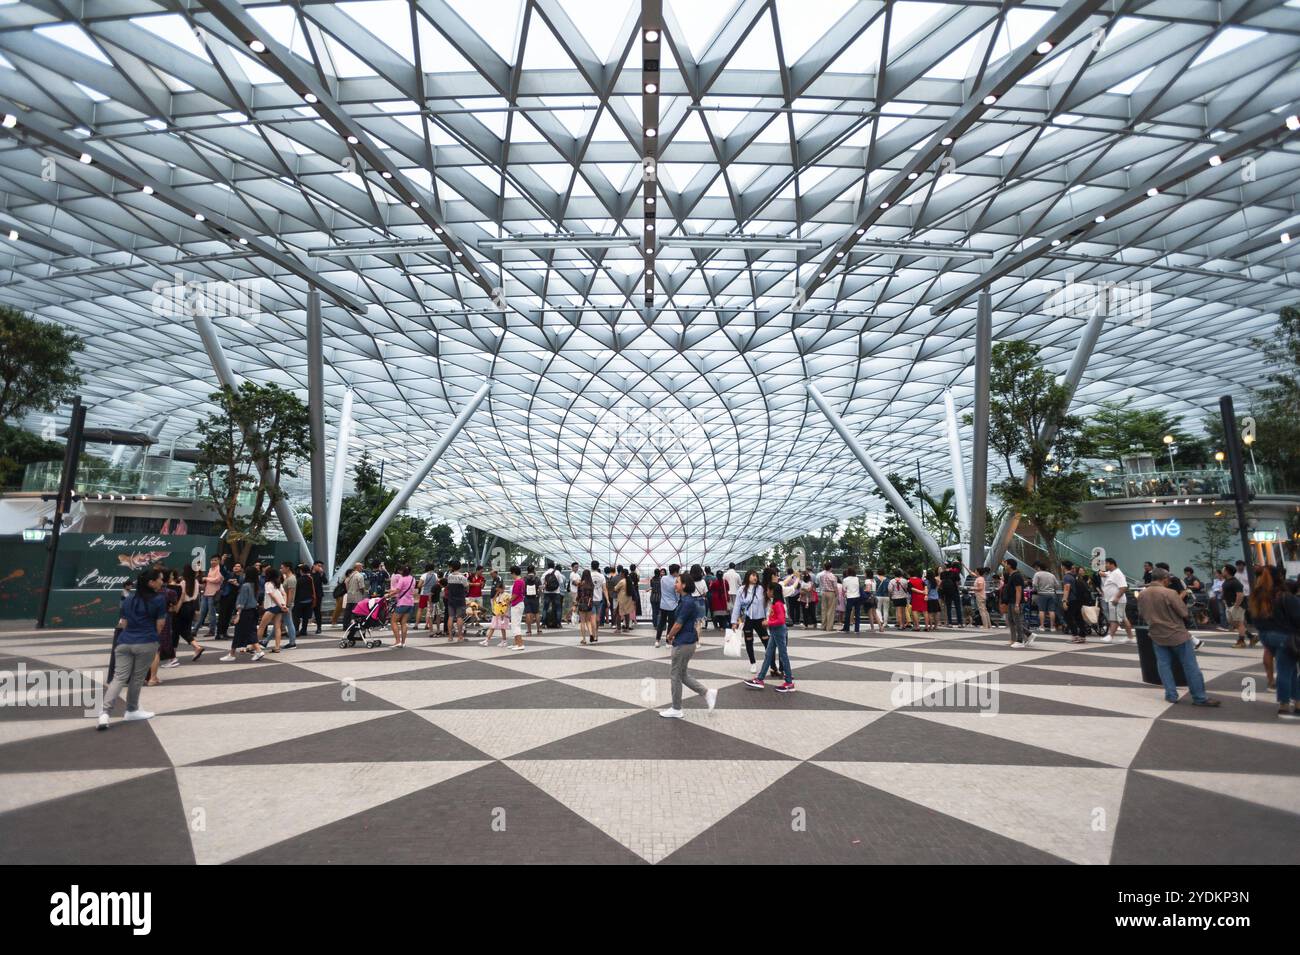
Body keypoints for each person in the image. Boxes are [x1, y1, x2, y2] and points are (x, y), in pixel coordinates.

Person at [1136, 568, 1221, 708]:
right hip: (1176, 634)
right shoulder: (1170, 593)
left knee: (1164, 665)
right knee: (1190, 666)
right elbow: (1183, 612)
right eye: (1168, 579)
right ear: (1164, 579)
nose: (1169, 581)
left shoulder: (1143, 594)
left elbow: (1142, 613)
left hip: (1156, 634)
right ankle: (1199, 697)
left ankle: (1171, 694)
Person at [97, 568, 167, 730]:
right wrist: (153, 638)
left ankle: (104, 713)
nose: (162, 582)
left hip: (124, 642)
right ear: (151, 582)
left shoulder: (129, 599)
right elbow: (160, 624)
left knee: (119, 677)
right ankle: (131, 710)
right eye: (160, 579)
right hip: (146, 641)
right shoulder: (159, 599)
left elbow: (124, 623)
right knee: (137, 678)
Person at [659, 572, 718, 718]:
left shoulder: (686, 602)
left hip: (683, 643)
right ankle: (707, 693)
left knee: (675, 675)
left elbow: (678, 624)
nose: (675, 584)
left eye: (677, 582)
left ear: (684, 585)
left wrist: (669, 635)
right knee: (682, 674)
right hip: (687, 641)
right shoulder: (685, 600)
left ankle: (676, 708)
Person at [1249, 565, 1299, 719]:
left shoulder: (1257, 596)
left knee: (1290, 669)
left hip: (1266, 636)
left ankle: (1296, 702)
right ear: (1280, 577)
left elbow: (1252, 619)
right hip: (1286, 637)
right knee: (1286, 670)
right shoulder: (1285, 596)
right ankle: (1284, 704)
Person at [744, 576, 795, 693]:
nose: (766, 592)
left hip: (778, 631)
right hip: (775, 631)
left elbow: (781, 620)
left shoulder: (778, 604)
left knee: (783, 655)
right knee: (769, 654)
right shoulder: (776, 603)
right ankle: (760, 679)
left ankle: (788, 682)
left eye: (768, 590)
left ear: (772, 591)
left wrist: (769, 622)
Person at [731, 569, 771, 677]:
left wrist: (767, 618)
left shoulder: (761, 589)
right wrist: (734, 621)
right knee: (749, 641)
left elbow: (767, 604)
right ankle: (752, 663)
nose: (755, 577)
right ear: (748, 576)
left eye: (756, 576)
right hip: (748, 619)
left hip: (760, 619)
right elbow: (737, 606)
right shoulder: (741, 590)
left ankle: (771, 663)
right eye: (753, 575)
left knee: (766, 641)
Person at [221, 567, 266, 662]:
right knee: (246, 632)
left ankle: (258, 651)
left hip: (245, 612)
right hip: (253, 611)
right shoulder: (255, 585)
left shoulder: (246, 586)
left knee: (247, 632)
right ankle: (232, 653)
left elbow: (242, 602)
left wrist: (238, 614)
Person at [1101, 557, 1134, 644]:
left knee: (1115, 619)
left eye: (1106, 563)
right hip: (1114, 600)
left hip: (1117, 600)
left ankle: (1110, 636)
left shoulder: (1118, 573)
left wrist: (1117, 598)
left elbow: (1123, 587)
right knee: (1123, 618)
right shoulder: (1111, 573)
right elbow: (1104, 574)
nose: (1105, 565)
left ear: (1112, 564)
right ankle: (1130, 637)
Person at [1001, 558, 1032, 647]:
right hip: (1011, 601)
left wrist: (1017, 604)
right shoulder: (1012, 575)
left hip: (1016, 601)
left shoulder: (1016, 576)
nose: (1005, 565)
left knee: (1017, 620)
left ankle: (1020, 640)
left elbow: (1019, 590)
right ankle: (1027, 635)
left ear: (1010, 565)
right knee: (1011, 620)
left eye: (1006, 564)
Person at [1222, 563, 1252, 648]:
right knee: (1233, 622)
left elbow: (1240, 594)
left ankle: (1241, 641)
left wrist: (1236, 605)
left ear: (1227, 571)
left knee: (1239, 623)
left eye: (1223, 570)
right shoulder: (1227, 581)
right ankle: (1251, 636)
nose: (1222, 571)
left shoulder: (1235, 582)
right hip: (1229, 605)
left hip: (1237, 606)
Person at [387, 563, 417, 648]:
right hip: (410, 603)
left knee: (393, 621)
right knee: (404, 622)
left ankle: (397, 641)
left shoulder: (402, 579)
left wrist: (388, 595)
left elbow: (397, 590)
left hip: (402, 603)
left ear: (402, 571)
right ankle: (403, 642)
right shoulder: (413, 579)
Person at [1060, 559, 1087, 643]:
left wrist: (1064, 600)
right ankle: (1082, 635)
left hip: (1071, 600)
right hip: (1078, 599)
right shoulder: (1073, 575)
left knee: (1068, 617)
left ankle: (1075, 635)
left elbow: (1066, 589)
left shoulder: (1067, 577)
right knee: (1078, 617)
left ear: (1063, 567)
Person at [196, 555, 223, 637]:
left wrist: (206, 579)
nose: (213, 562)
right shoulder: (211, 569)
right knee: (202, 613)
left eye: (215, 560)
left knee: (212, 614)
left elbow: (218, 579)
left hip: (213, 594)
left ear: (219, 561)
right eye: (212, 560)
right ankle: (195, 630)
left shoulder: (219, 569)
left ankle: (212, 630)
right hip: (206, 593)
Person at [444, 560, 469, 642]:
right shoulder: (462, 577)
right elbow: (467, 587)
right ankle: (460, 636)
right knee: (459, 617)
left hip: (451, 599)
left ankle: (450, 636)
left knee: (450, 617)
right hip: (460, 600)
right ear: (460, 567)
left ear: (452, 567)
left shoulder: (449, 576)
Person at [481, 581, 511, 648]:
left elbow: (508, 605)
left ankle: (504, 641)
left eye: (498, 589)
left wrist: (505, 613)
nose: (497, 590)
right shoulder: (499, 594)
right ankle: (487, 640)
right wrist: (497, 593)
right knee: (493, 626)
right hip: (497, 613)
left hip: (503, 614)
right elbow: (494, 600)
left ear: (502, 588)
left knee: (502, 628)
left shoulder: (507, 595)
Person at [1031, 561, 1060, 633]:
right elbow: (1057, 585)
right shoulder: (1051, 575)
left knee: (1041, 610)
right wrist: (1053, 590)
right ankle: (1052, 627)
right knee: (1052, 611)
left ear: (1039, 567)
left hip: (1042, 594)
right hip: (1052, 594)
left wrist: (1037, 590)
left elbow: (1034, 584)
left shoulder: (1037, 574)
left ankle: (1042, 626)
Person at [655, 563, 679, 648]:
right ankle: (668, 642)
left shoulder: (663, 578)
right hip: (672, 605)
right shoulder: (675, 581)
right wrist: (677, 601)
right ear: (675, 572)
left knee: (661, 623)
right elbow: (676, 594)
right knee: (671, 624)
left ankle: (657, 641)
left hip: (663, 604)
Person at [293, 562, 316, 644]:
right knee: (305, 617)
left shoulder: (299, 580)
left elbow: (296, 591)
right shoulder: (310, 578)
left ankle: (296, 630)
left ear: (301, 571)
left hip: (299, 600)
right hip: (309, 600)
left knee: (296, 616)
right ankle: (304, 630)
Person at [278, 561, 299, 649]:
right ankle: (266, 641)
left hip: (287, 604)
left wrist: (287, 605)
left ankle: (292, 642)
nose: (281, 569)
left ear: (287, 568)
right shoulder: (288, 578)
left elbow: (291, 593)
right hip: (285, 604)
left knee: (288, 623)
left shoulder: (291, 579)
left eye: (282, 567)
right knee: (279, 622)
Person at [508, 565, 526, 650]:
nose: (511, 575)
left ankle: (520, 644)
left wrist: (509, 601)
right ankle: (516, 643)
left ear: (514, 573)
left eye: (511, 573)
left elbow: (515, 594)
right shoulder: (521, 581)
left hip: (516, 604)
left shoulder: (518, 582)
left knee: (515, 624)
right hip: (519, 603)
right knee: (515, 624)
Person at [575, 569, 595, 644]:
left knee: (582, 622)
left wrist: (576, 603)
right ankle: (591, 634)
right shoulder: (591, 584)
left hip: (582, 604)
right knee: (588, 621)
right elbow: (591, 595)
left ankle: (584, 639)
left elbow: (578, 595)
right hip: (589, 604)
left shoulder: (580, 584)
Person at [939, 562, 962, 628]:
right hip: (955, 591)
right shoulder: (955, 573)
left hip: (947, 592)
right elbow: (958, 583)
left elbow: (941, 582)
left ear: (945, 566)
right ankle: (960, 623)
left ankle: (950, 623)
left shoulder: (942, 573)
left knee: (948, 608)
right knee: (958, 607)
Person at [542, 561, 563, 629]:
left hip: (547, 592)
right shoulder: (557, 572)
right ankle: (558, 624)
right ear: (554, 566)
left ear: (547, 566)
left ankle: (544, 623)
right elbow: (561, 582)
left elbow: (542, 583)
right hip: (556, 592)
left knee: (545, 608)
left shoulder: (545, 573)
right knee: (558, 608)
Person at [817, 562, 838, 631]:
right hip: (831, 593)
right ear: (831, 568)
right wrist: (837, 594)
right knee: (831, 610)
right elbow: (835, 587)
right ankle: (829, 627)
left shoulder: (821, 575)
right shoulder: (832, 576)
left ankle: (823, 626)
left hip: (824, 592)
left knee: (824, 610)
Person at [841, 566, 862, 633]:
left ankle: (846, 628)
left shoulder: (845, 580)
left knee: (848, 613)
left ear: (848, 572)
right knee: (857, 614)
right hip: (857, 597)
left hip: (850, 597)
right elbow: (859, 586)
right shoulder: (857, 578)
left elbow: (844, 589)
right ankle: (857, 629)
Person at [589, 561, 606, 640]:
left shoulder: (589, 575)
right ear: (598, 566)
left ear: (591, 566)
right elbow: (604, 589)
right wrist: (608, 600)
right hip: (599, 599)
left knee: (592, 617)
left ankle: (593, 634)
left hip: (591, 599)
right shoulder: (602, 576)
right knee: (598, 618)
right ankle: (597, 634)